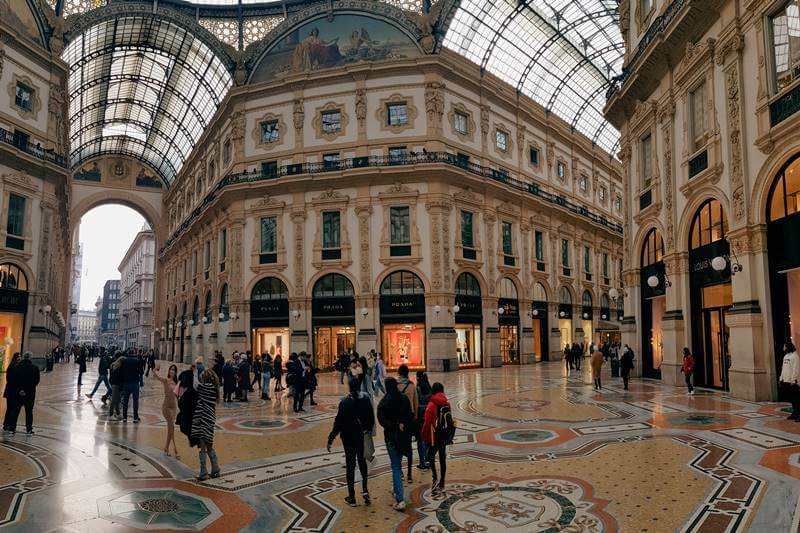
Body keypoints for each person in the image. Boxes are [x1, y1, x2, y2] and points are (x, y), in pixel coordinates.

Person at [327, 377, 375, 507]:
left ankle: (352, 496)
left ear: (349, 387)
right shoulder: (365, 400)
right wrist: (367, 431)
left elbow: (339, 423)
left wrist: (331, 438)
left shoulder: (345, 402)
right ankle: (365, 490)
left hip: (348, 438)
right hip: (361, 437)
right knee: (362, 462)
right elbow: (371, 419)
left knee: (350, 465)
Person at [377, 377, 413, 511]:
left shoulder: (384, 402)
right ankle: (396, 488)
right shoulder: (403, 398)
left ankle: (400, 499)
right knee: (397, 465)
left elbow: (382, 421)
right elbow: (410, 416)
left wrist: (394, 425)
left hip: (391, 438)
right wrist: (402, 425)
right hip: (403, 437)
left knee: (396, 467)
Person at [421, 382, 453, 495]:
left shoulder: (431, 405)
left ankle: (434, 477)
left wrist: (424, 436)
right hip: (444, 436)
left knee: (430, 456)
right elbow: (449, 420)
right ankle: (442, 483)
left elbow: (427, 423)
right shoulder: (446, 403)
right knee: (442, 459)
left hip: (434, 436)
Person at [191, 369, 221, 480]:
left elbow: (195, 385)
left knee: (202, 444)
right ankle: (215, 468)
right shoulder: (214, 388)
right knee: (209, 443)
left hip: (203, 418)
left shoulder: (205, 387)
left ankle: (203, 471)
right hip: (210, 418)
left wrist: (194, 372)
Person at [7, 352, 40, 435]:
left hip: (18, 393)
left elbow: (13, 380)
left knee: (15, 411)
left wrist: (20, 389)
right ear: (30, 358)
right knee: (29, 412)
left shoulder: (16, 367)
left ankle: (12, 429)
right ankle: (29, 430)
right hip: (30, 394)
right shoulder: (34, 368)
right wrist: (27, 390)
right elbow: (36, 381)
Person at [396, 364, 418, 482]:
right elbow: (416, 404)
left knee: (398, 445)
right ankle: (409, 473)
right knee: (408, 447)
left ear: (399, 373)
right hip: (409, 419)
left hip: (398, 419)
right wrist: (414, 418)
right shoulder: (412, 386)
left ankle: (399, 472)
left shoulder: (395, 386)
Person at [154, 363, 180, 457]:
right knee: (171, 427)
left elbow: (178, 396)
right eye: (171, 369)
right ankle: (175, 449)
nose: (172, 371)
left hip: (174, 407)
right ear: (169, 371)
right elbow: (156, 376)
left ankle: (166, 448)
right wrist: (155, 369)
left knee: (170, 429)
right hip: (166, 407)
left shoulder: (176, 383)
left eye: (174, 370)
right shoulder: (166, 380)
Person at [415, 371, 432, 470]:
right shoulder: (429, 387)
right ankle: (428, 459)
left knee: (420, 439)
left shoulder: (418, 388)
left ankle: (422, 462)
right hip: (428, 414)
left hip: (420, 416)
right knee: (427, 438)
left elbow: (416, 402)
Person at [779, 341, 799, 421]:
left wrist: (794, 380)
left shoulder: (795, 356)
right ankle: (794, 413)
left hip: (793, 382)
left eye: (784, 346)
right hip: (786, 381)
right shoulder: (786, 356)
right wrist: (781, 378)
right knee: (792, 399)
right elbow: (783, 369)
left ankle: (798, 415)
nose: (783, 348)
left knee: (797, 399)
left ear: (788, 347)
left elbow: (796, 369)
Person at [121, 351, 142, 423]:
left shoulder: (124, 361)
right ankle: (135, 418)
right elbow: (141, 372)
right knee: (135, 401)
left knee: (125, 401)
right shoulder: (137, 361)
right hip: (135, 383)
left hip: (126, 383)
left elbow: (122, 372)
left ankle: (124, 417)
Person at [3, 352, 21, 433]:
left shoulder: (12, 366)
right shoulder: (14, 366)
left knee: (10, 408)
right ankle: (8, 424)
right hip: (12, 391)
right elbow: (11, 379)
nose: (20, 358)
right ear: (15, 357)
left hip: (10, 391)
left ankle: (6, 424)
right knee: (11, 408)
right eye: (18, 356)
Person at [107, 355, 124, 420]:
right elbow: (118, 377)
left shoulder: (114, 366)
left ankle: (118, 413)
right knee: (114, 400)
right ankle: (110, 415)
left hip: (116, 384)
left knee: (118, 400)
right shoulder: (117, 368)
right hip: (116, 385)